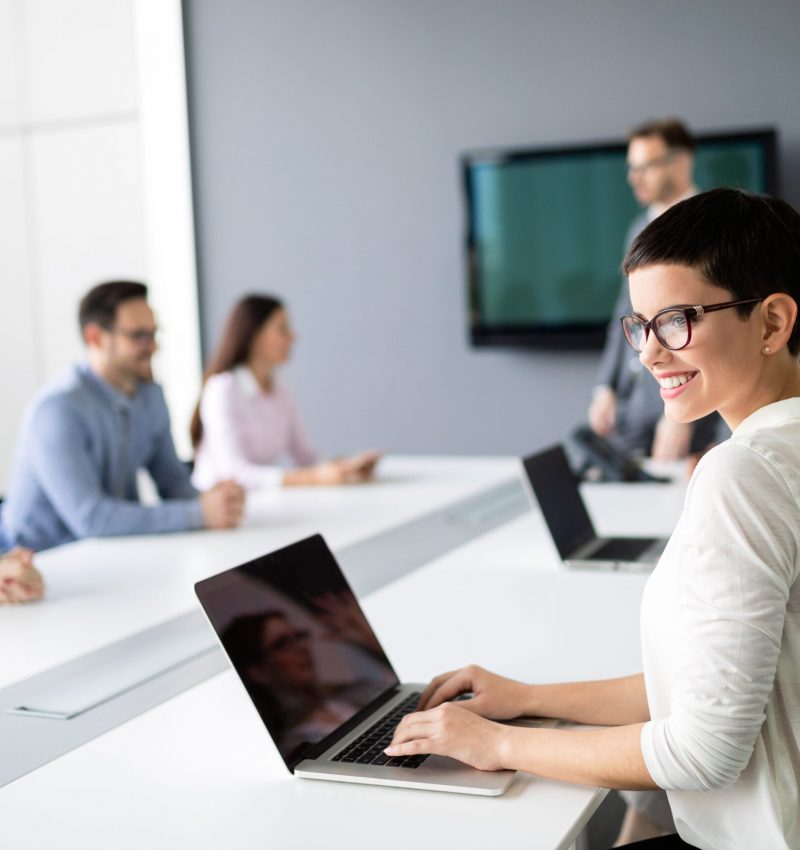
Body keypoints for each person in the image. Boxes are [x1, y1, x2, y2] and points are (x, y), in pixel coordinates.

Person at [387, 189, 800, 850]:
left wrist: (496, 743)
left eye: (677, 321)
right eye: (640, 326)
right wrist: (526, 697)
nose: (650, 354)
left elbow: (702, 752)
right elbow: (704, 685)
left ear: (773, 323)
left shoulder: (745, 473)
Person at [0, 281, 244, 552]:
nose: (153, 347)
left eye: (154, 334)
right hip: (34, 560)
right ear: (95, 337)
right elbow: (91, 519)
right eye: (139, 336)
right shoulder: (57, 409)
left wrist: (218, 501)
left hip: (106, 551)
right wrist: (198, 514)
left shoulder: (150, 395)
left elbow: (173, 483)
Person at [589, 118, 723, 461]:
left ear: (681, 162)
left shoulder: (716, 225)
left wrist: (684, 416)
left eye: (645, 166)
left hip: (689, 404)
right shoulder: (638, 228)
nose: (634, 178)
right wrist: (606, 388)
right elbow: (625, 311)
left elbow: (718, 325)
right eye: (632, 168)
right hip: (635, 403)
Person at [190, 294, 380, 490]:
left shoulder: (281, 389)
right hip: (217, 509)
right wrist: (313, 478)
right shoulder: (223, 390)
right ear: (255, 336)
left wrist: (345, 468)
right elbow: (233, 472)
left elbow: (305, 456)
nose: (293, 337)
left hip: (260, 502)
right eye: (283, 329)